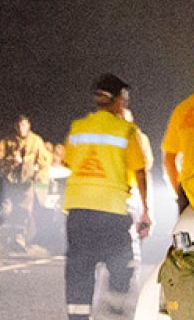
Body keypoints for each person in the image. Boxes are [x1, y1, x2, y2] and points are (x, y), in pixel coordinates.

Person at [61, 73, 152, 319]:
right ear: (119, 101)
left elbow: (67, 161)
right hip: (111, 211)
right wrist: (145, 210)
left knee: (79, 270)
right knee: (123, 262)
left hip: (78, 212)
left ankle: (78, 316)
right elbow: (140, 171)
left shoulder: (78, 128)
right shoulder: (126, 131)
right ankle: (116, 301)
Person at [0, 114, 53, 253]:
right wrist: (11, 162)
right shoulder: (8, 141)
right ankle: (4, 240)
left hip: (26, 183)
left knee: (24, 212)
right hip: (9, 182)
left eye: (24, 124)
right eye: (18, 125)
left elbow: (45, 163)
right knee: (6, 210)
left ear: (28, 125)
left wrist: (38, 176)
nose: (21, 128)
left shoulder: (36, 141)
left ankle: (19, 240)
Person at [161, 91, 194, 217]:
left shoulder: (183, 109)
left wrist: (179, 193)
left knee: (188, 235)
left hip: (190, 192)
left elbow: (169, 159)